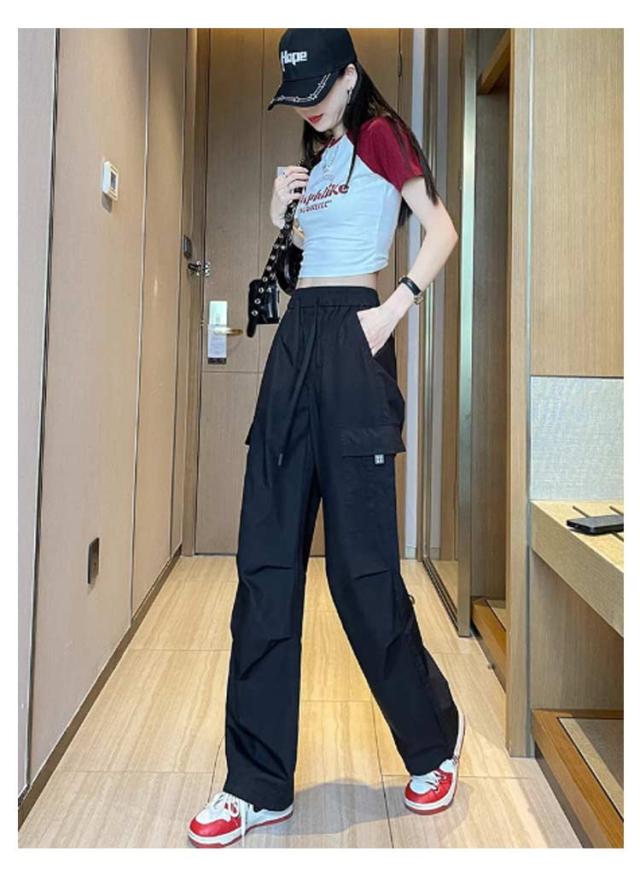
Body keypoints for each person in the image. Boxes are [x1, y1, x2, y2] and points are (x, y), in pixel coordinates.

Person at [188, 28, 464, 849]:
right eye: (296, 98)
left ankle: (432, 739)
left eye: (316, 91)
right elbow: (312, 255)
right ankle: (256, 783)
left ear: (349, 75)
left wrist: (394, 307)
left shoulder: (380, 134)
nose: (307, 108)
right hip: (296, 345)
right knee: (266, 562)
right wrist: (282, 216)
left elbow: (441, 230)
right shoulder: (322, 155)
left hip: (354, 335)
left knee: (361, 572)